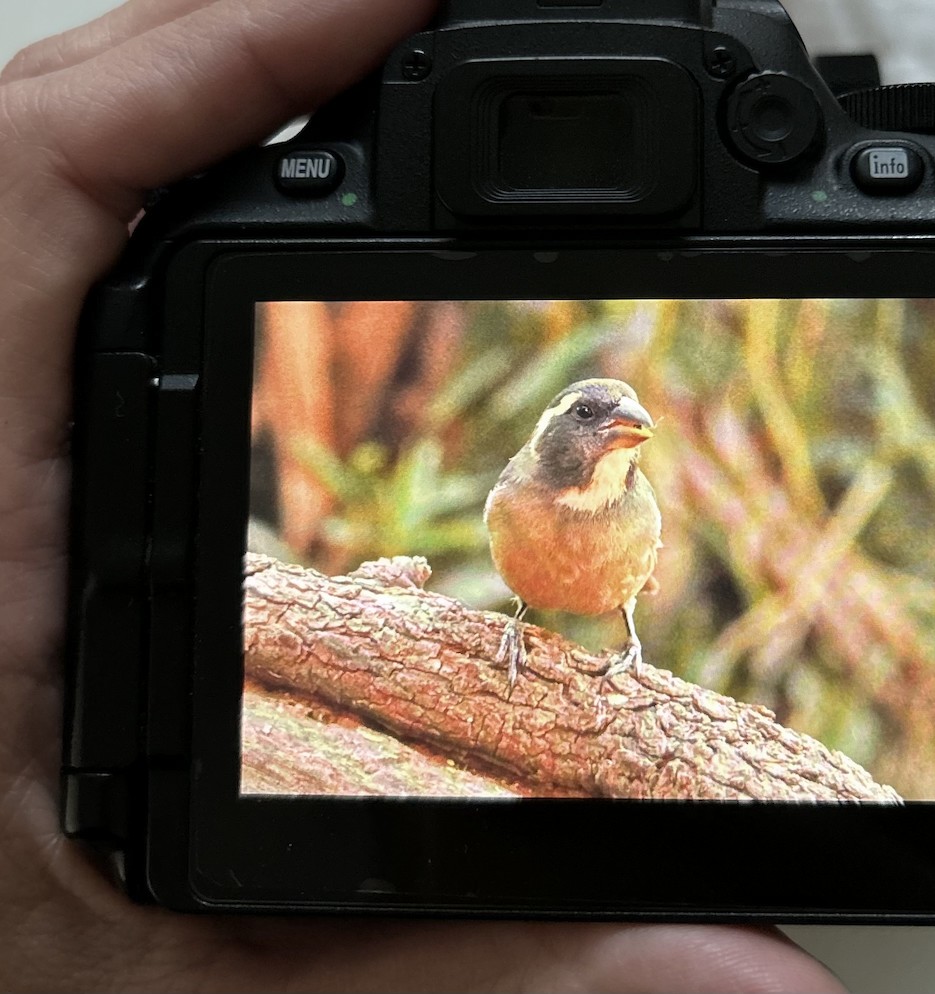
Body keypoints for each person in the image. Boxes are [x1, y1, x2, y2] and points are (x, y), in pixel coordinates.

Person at [0, 1, 842, 989]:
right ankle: (521, 629)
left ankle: (629, 658)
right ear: (554, 429)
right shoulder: (511, 497)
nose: (623, 427)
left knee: (625, 643)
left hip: (614, 645)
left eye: (626, 420)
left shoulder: (635, 510)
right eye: (596, 413)